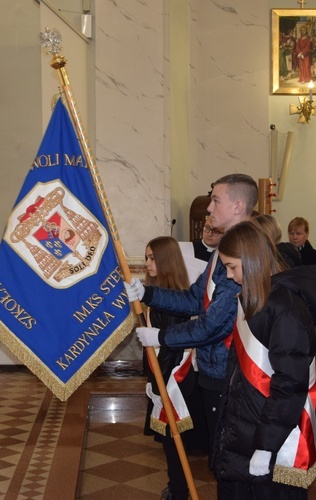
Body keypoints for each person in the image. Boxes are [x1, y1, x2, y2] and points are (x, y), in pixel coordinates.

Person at [127, 173, 258, 454]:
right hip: (216, 368)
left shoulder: (247, 251)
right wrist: (148, 294)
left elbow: (215, 324)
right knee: (219, 455)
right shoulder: (224, 248)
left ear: (237, 206)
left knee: (228, 458)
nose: (209, 208)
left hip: (233, 372)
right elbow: (195, 299)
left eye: (215, 200)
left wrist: (161, 336)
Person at [211, 221, 316, 499]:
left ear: (251, 261)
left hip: (272, 438)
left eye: (232, 267)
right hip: (246, 427)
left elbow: (290, 382)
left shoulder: (285, 306)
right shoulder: (258, 299)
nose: (228, 276)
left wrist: (265, 445)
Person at [141, 236, 199, 500]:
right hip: (164, 373)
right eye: (146, 257)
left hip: (174, 376)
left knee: (173, 439)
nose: (147, 263)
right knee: (169, 439)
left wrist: (159, 382)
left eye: (152, 258)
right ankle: (176, 486)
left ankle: (179, 490)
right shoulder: (160, 295)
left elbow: (172, 346)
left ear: (166, 260)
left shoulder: (172, 299)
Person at [179, 215, 221, 283]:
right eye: (207, 228)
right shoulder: (185, 249)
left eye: (215, 231)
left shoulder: (224, 258)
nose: (209, 234)